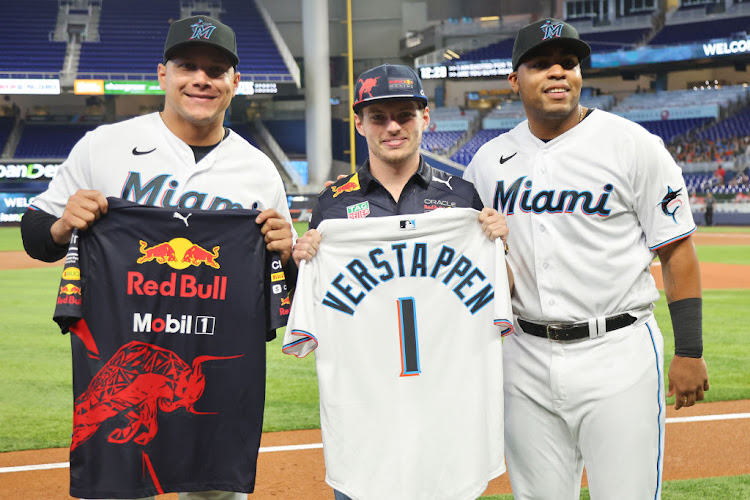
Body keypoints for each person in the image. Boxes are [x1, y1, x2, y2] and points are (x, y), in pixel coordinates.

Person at [21, 15, 294, 500]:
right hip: (124, 350)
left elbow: (286, 279)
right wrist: (64, 223)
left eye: (216, 69)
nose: (201, 80)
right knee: (119, 484)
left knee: (214, 488)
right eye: (188, 65)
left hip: (213, 378)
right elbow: (36, 236)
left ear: (234, 82)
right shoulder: (105, 146)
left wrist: (286, 252)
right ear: (163, 73)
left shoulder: (258, 169)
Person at [463, 19, 709, 500]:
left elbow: (676, 249)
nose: (558, 73)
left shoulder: (633, 145)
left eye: (569, 63)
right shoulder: (489, 162)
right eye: (540, 64)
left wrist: (691, 349)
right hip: (525, 355)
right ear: (514, 80)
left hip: (617, 350)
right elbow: (480, 267)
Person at [290, 63, 512, 500]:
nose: (393, 126)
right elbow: (313, 301)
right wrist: (305, 261)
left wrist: (496, 246)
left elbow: (501, 295)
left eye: (405, 115)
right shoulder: (332, 207)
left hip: (444, 405)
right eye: (378, 117)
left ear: (425, 118)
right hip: (366, 410)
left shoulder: (462, 198)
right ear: (359, 123)